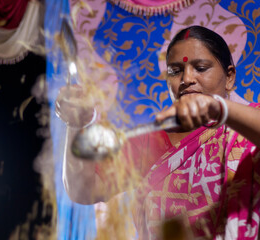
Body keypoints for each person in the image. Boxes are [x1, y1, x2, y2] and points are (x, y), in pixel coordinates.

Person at [55, 25, 260, 239]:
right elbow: (84, 189)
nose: (187, 79)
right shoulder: (150, 143)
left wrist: (217, 109)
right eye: (175, 71)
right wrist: (76, 124)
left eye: (200, 68)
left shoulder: (250, 126)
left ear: (229, 77)